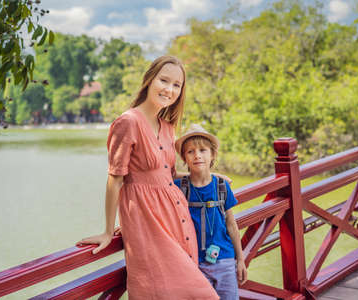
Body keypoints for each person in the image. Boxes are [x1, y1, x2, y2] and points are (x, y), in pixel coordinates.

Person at [77, 56, 219, 299]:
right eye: (164, 80)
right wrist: (108, 231)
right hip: (147, 223)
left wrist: (209, 175)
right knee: (194, 293)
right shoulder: (128, 122)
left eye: (177, 85)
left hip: (178, 219)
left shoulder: (167, 126)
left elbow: (168, 175)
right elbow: (115, 179)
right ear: (149, 79)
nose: (169, 89)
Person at [174, 124, 247, 300]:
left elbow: (231, 224)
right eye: (190, 151)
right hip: (194, 263)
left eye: (202, 150)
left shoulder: (222, 186)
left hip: (225, 260)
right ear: (184, 157)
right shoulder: (179, 188)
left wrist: (240, 260)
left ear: (212, 154)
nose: (197, 155)